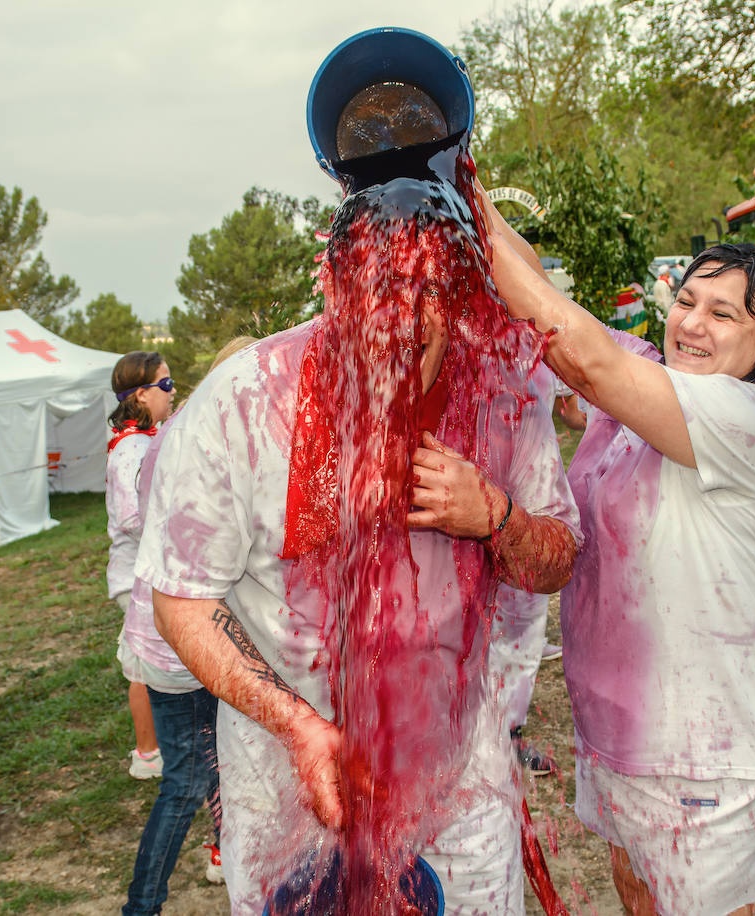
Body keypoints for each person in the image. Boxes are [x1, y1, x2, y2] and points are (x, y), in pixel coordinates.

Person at [137, 177, 579, 915]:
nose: (398, 336)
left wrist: (494, 516)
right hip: (293, 785)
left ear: (458, 299)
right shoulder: (241, 402)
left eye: (425, 310)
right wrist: (297, 725)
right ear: (334, 288)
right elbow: (182, 598)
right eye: (376, 307)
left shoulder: (502, 398)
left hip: (458, 781)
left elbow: (558, 560)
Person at [485, 196, 755, 915]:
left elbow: (587, 361)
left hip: (714, 750)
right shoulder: (652, 378)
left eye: (723, 314)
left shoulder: (749, 418)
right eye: (687, 299)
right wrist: (462, 184)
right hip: (622, 733)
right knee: (638, 898)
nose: (692, 323)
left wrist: (457, 214)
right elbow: (547, 299)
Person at [119, 336, 257, 915]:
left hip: (182, 640)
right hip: (179, 646)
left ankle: (226, 857)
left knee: (221, 763)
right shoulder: (199, 443)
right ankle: (143, 904)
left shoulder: (176, 436)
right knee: (186, 781)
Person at [107, 352, 177, 780]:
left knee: (147, 661)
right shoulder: (130, 448)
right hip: (136, 572)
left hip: (145, 568)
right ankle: (148, 754)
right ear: (141, 394)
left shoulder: (142, 439)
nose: (173, 392)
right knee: (142, 664)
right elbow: (134, 518)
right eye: (166, 386)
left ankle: (155, 749)